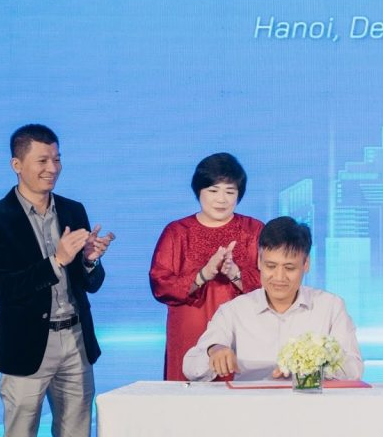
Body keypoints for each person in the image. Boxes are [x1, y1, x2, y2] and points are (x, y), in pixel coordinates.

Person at [0, 124, 115, 437]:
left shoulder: (73, 210)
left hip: (75, 342)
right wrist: (57, 261)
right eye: (42, 160)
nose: (52, 167)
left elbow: (89, 284)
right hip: (26, 350)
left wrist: (90, 260)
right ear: (17, 164)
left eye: (57, 158)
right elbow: (1, 290)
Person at [183, 216, 363, 381]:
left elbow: (354, 369)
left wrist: (314, 363)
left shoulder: (330, 307)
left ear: (306, 264)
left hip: (309, 401)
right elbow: (190, 368)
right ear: (259, 262)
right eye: (270, 266)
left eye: (289, 268)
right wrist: (214, 350)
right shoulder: (234, 310)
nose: (279, 277)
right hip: (250, 403)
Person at [150, 153, 263, 381]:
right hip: (189, 333)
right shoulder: (177, 232)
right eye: (213, 190)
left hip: (240, 333)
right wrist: (202, 275)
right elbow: (160, 284)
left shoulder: (254, 230)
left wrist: (236, 274)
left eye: (230, 192)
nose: (221, 199)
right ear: (198, 191)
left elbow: (272, 281)